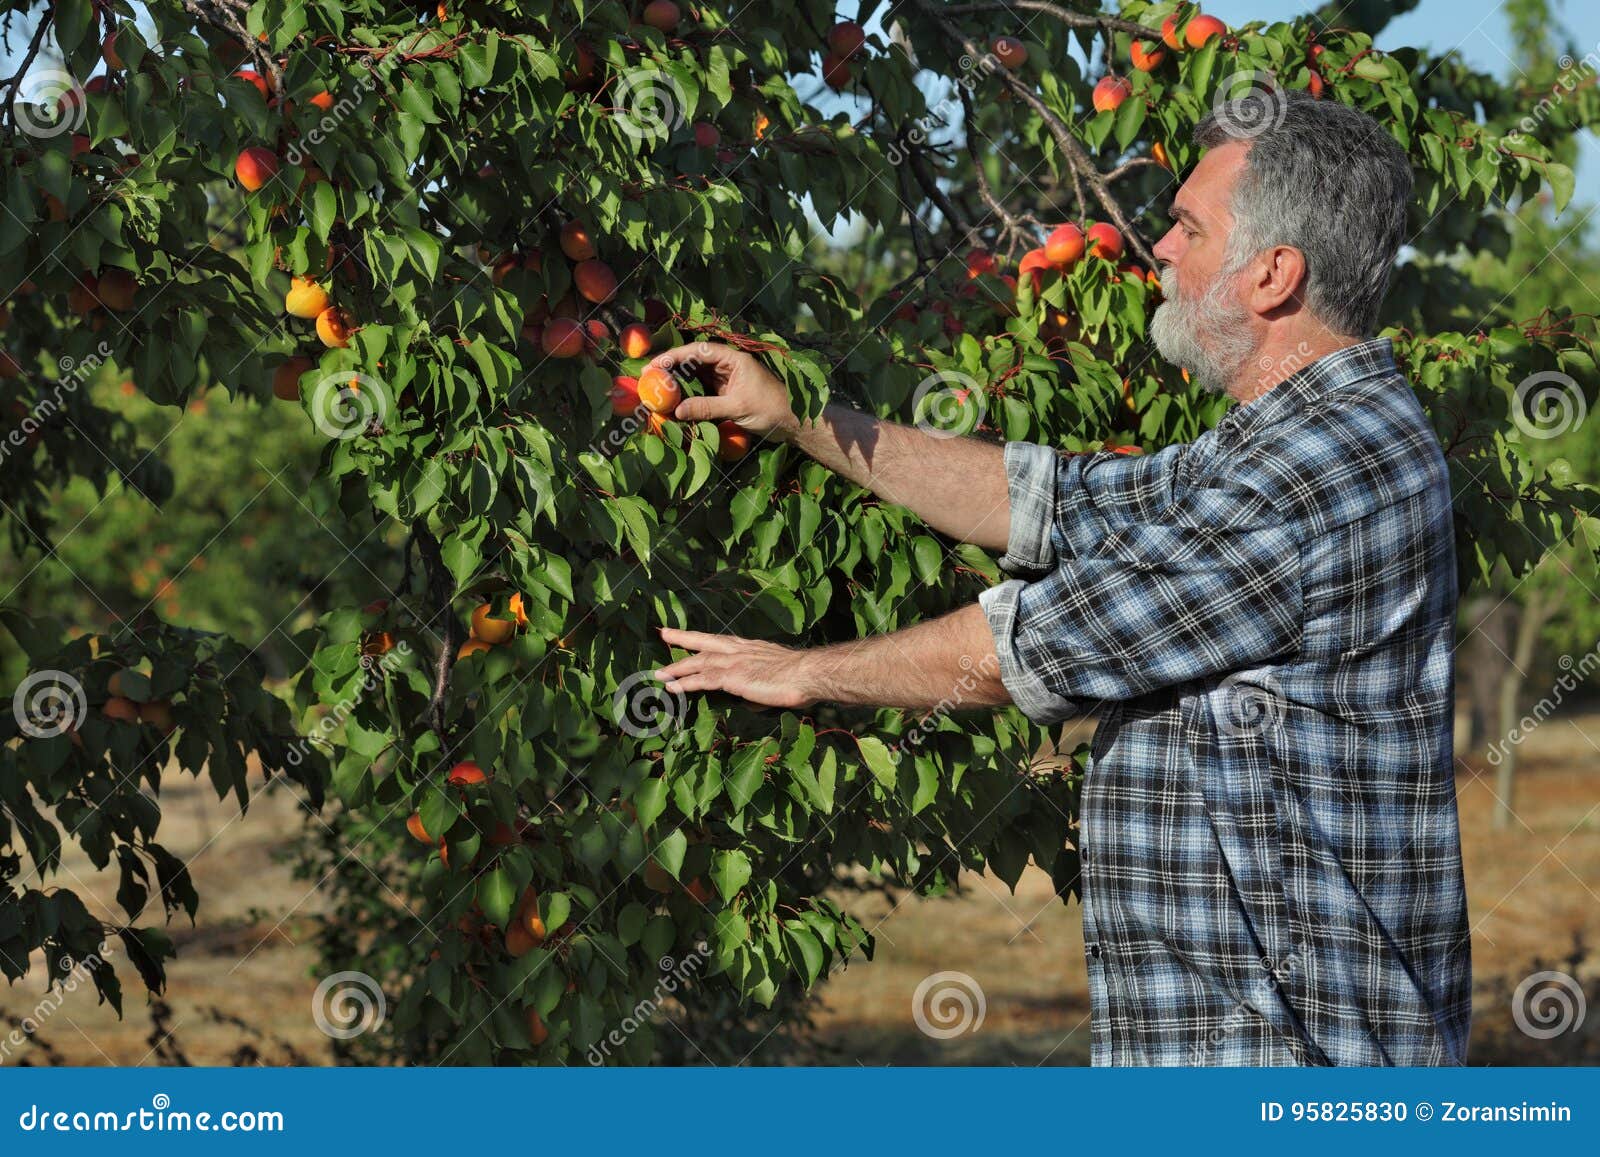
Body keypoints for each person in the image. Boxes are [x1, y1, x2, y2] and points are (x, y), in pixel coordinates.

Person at [647, 90, 1470, 1066]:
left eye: (1186, 226)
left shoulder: (1319, 470)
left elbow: (1025, 649)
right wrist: (798, 419)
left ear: (1272, 273)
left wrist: (800, 673)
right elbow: (1045, 499)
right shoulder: (1277, 444)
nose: (1157, 248)